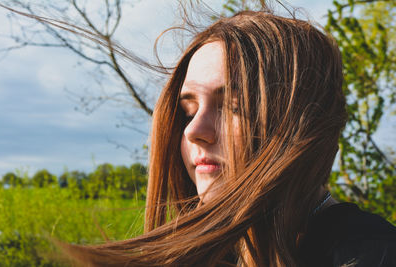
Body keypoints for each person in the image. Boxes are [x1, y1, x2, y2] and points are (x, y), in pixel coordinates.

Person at [50, 6, 396, 267]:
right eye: (188, 111)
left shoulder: (372, 253)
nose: (194, 131)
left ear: (301, 122)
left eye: (232, 106)